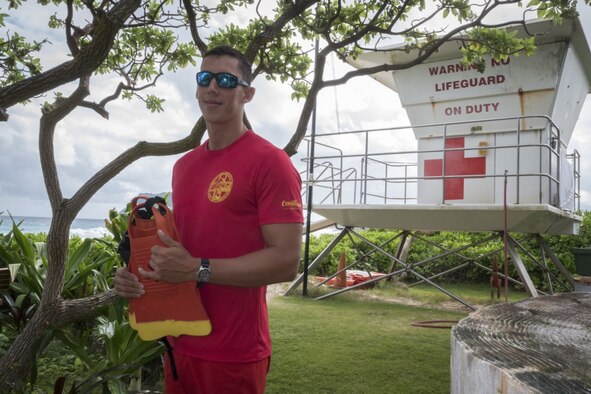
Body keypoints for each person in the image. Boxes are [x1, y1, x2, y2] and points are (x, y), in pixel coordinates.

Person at [114, 45, 304, 393]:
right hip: (178, 345)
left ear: (247, 93)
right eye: (205, 78)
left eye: (227, 80)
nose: (213, 87)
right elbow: (181, 248)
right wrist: (136, 275)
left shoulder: (270, 162)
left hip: (234, 353)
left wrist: (197, 268)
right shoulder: (183, 166)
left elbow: (286, 261)